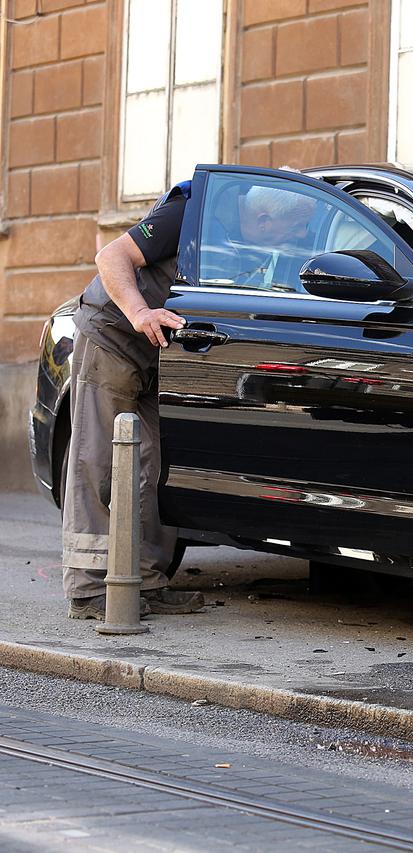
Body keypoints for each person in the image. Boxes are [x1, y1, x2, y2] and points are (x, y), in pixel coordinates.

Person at [63, 180, 315, 620]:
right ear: (264, 221)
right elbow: (112, 256)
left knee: (159, 468)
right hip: (114, 335)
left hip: (163, 351)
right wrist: (139, 312)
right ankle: (88, 587)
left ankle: (146, 578)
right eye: (295, 230)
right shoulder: (191, 212)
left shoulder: (255, 245)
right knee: (97, 461)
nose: (299, 240)